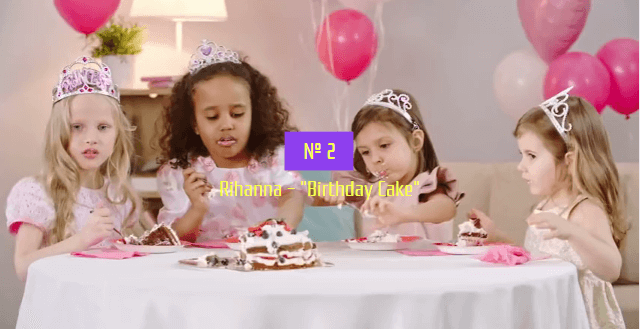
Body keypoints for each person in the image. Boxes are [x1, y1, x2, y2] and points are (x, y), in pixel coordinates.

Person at [469, 87, 627, 327]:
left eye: (531, 156)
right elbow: (538, 259)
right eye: (521, 154)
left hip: (576, 316)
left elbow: (612, 268)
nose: (521, 166)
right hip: (549, 312)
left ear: (569, 160)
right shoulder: (544, 205)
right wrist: (497, 237)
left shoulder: (584, 209)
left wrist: (573, 232)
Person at [156, 40, 307, 242]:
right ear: (194, 124)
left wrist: (275, 233)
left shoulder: (274, 158)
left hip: (262, 262)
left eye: (237, 114)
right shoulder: (178, 172)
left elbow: (293, 197)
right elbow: (175, 239)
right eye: (212, 117)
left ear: (254, 115)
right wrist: (197, 209)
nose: (226, 125)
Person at [6, 57, 141, 281]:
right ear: (60, 132)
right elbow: (23, 267)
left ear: (117, 134)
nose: (91, 139)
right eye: (77, 127)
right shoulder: (36, 192)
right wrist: (82, 240)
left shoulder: (119, 196)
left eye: (103, 127)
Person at [316, 89, 464, 241]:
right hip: (379, 264)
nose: (375, 159)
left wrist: (402, 213)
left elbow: (446, 208)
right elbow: (312, 197)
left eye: (384, 145)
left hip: (425, 264)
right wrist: (329, 191)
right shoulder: (372, 189)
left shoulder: (428, 183)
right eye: (366, 152)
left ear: (415, 141)